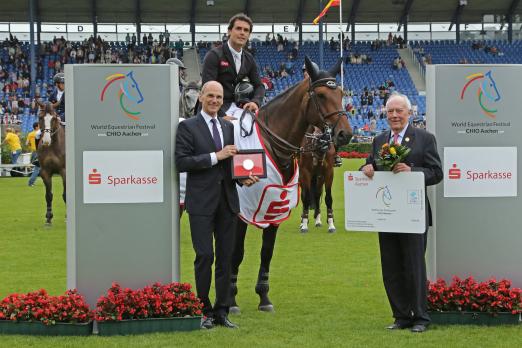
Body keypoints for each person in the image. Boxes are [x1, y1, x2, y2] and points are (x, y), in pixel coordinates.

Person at [175, 81, 258, 330]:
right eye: (210, 95)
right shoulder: (187, 127)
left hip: (227, 202)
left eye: (219, 97)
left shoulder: (227, 126)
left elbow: (230, 165)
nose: (214, 100)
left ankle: (222, 311)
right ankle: (203, 310)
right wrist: (215, 156)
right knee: (204, 256)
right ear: (201, 97)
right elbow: (182, 162)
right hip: (200, 203)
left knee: (225, 258)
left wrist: (242, 177)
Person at [361, 92, 442, 333]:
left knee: (414, 265)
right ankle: (400, 316)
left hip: (413, 214)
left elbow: (436, 172)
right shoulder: (379, 140)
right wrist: (365, 167)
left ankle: (420, 317)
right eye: (390, 112)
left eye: (399, 111)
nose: (395, 116)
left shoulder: (425, 138)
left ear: (409, 113)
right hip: (386, 215)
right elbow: (370, 165)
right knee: (391, 266)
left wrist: (413, 170)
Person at [201, 13, 264, 118]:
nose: (242, 33)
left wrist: (255, 102)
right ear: (229, 31)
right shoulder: (214, 55)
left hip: (240, 108)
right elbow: (207, 89)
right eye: (238, 28)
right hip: (216, 109)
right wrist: (220, 116)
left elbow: (259, 86)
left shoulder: (249, 59)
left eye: (246, 30)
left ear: (249, 35)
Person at [26, 122, 40, 186]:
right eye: (39, 126)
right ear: (36, 127)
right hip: (39, 152)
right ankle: (30, 182)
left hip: (34, 152)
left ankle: (32, 181)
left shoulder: (30, 134)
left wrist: (31, 145)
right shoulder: (39, 133)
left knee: (37, 168)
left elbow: (27, 143)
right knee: (37, 168)